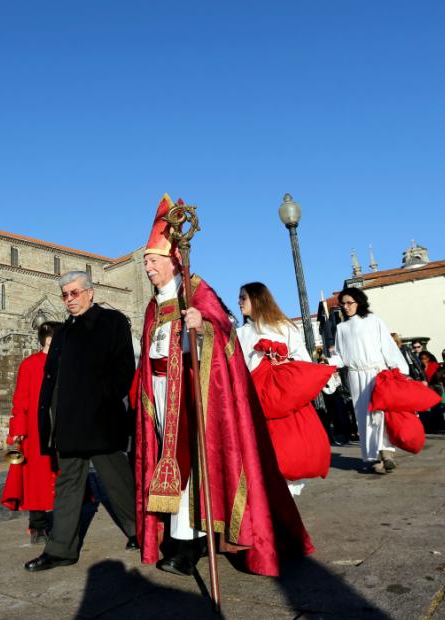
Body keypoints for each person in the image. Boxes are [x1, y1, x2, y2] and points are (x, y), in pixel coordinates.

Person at [134, 195, 313, 578]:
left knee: (193, 465)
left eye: (152, 260)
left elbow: (225, 336)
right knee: (169, 465)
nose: (147, 267)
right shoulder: (152, 306)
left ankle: (188, 544)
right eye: (145, 261)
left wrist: (203, 326)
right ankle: (181, 536)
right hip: (161, 395)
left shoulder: (199, 292)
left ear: (173, 260)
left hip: (195, 396)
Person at [24, 272, 138, 572]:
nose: (69, 299)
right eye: (64, 295)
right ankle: (61, 549)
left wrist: (105, 398)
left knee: (117, 481)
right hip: (67, 423)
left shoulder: (112, 322)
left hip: (101, 419)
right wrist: (48, 417)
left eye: (74, 293)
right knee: (68, 485)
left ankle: (140, 531)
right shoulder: (62, 332)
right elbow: (51, 379)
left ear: (90, 292)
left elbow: (124, 368)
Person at [236, 282, 335, 496]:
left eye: (243, 297)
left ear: (257, 299)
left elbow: (303, 359)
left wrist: (283, 361)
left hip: (285, 398)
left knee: (289, 449)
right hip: (257, 400)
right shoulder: (240, 334)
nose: (239, 302)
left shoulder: (283, 327)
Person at [333, 287, 409, 474]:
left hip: (376, 372)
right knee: (364, 416)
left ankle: (387, 453)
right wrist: (328, 363)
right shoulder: (341, 328)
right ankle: (374, 455)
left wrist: (399, 368)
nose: (346, 307)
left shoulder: (373, 321)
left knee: (381, 413)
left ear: (359, 302)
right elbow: (341, 356)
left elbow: (387, 345)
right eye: (343, 304)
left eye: (349, 302)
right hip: (355, 376)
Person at [1, 321, 62, 544]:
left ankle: (62, 521)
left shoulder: (63, 363)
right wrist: (17, 430)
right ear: (48, 340)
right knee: (35, 477)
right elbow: (21, 399)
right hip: (35, 430)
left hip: (61, 427)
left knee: (60, 475)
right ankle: (37, 525)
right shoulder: (30, 364)